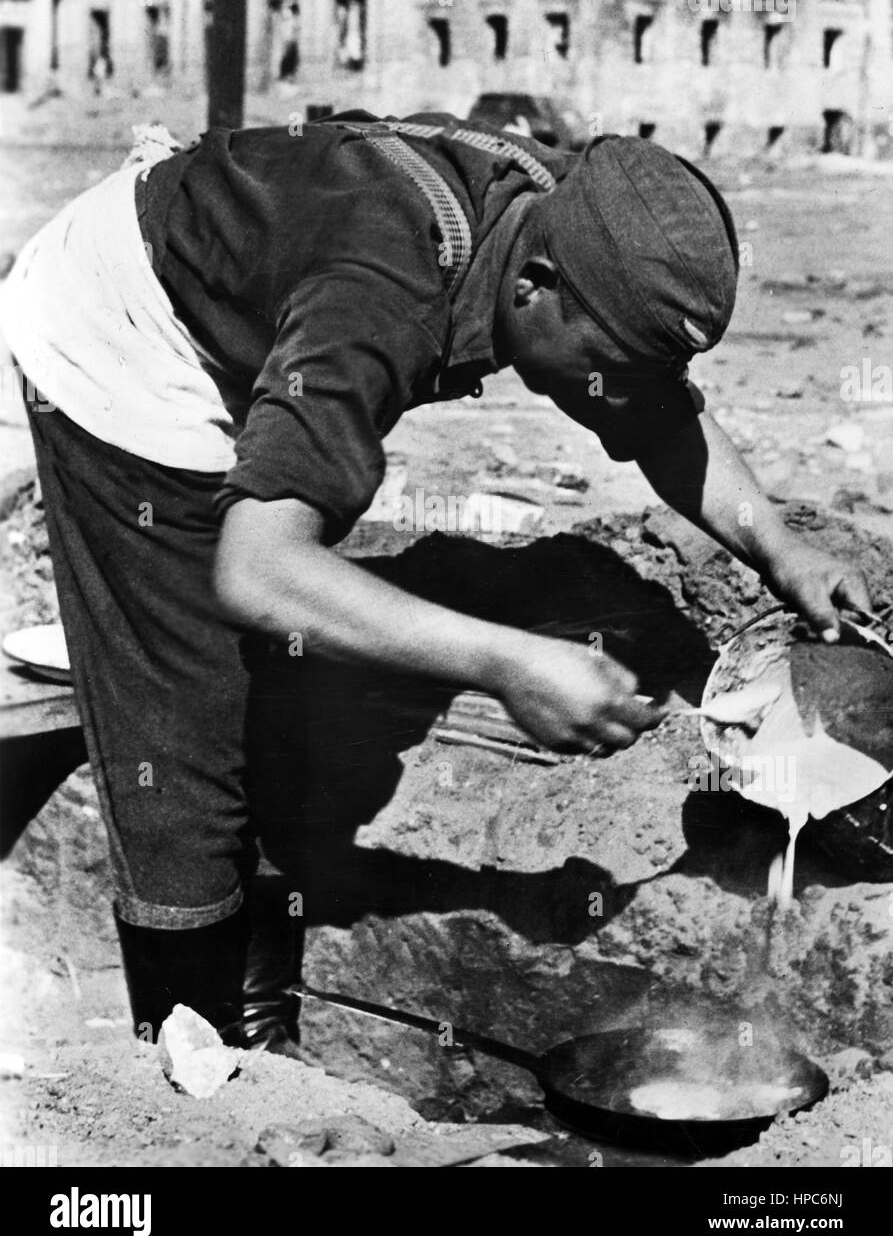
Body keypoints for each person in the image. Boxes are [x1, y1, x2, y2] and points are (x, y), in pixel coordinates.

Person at [0, 112, 870, 1049]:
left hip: (267, 297)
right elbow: (257, 572)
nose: (616, 400)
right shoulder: (379, 301)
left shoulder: (561, 222)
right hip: (126, 334)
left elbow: (655, 408)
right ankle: (196, 1061)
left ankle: (261, 1015)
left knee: (281, 687)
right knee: (183, 717)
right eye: (608, 372)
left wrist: (782, 551)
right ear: (532, 288)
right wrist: (507, 663)